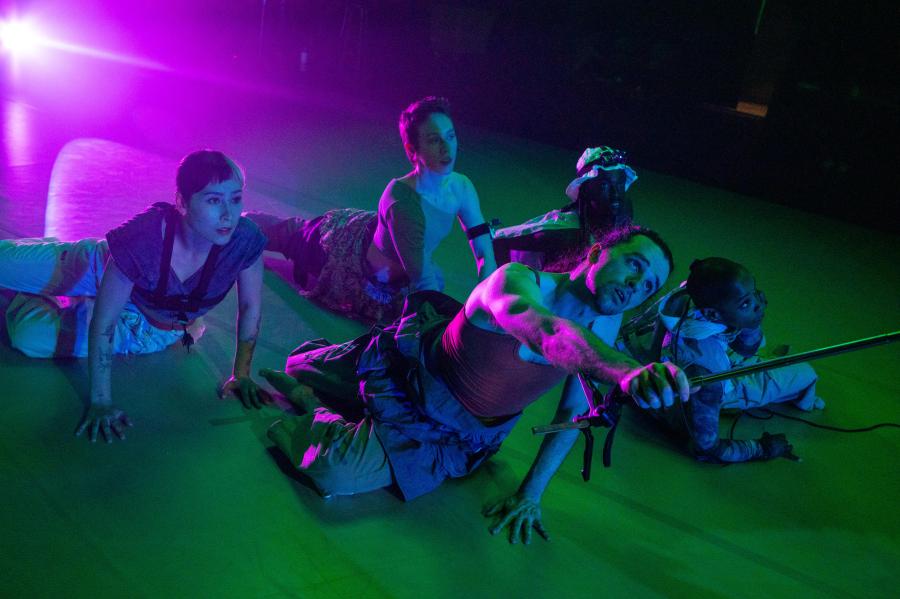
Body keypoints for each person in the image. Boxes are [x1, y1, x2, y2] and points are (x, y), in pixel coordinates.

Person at [257, 224, 690, 543]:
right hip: (404, 374)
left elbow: (573, 412)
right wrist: (625, 370)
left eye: (648, 286)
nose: (636, 286)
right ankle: (321, 378)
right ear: (596, 253)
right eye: (634, 266)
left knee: (334, 473)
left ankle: (308, 403)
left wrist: (531, 494)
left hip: (454, 431)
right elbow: (548, 333)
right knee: (298, 362)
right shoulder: (516, 281)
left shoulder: (607, 323)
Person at [0, 150, 271, 442]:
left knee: (27, 336)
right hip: (98, 267)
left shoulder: (245, 240)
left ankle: (28, 290)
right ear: (182, 202)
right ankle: (46, 264)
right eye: (214, 200)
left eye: (235, 198)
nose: (229, 215)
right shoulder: (144, 237)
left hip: (144, 326)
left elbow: (250, 306)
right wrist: (100, 401)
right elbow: (103, 322)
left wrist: (241, 374)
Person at [245, 96, 497, 323]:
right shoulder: (404, 202)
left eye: (450, 136)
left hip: (390, 260)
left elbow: (483, 247)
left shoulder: (461, 186)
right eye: (434, 140)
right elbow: (423, 280)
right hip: (346, 258)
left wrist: (489, 297)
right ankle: (241, 222)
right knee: (284, 235)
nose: (446, 148)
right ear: (413, 151)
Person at [638, 257, 824, 463]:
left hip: (687, 357)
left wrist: (750, 317)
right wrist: (762, 448)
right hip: (704, 387)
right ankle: (806, 401)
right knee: (805, 374)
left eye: (755, 292)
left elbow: (745, 349)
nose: (758, 302)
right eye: (746, 302)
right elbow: (705, 447)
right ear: (712, 314)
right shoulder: (704, 375)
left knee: (762, 350)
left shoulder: (687, 294)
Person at [492, 145, 636, 270]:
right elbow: (497, 241)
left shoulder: (619, 222)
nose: (616, 193)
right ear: (585, 189)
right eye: (605, 185)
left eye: (620, 184)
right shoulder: (566, 231)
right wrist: (504, 290)